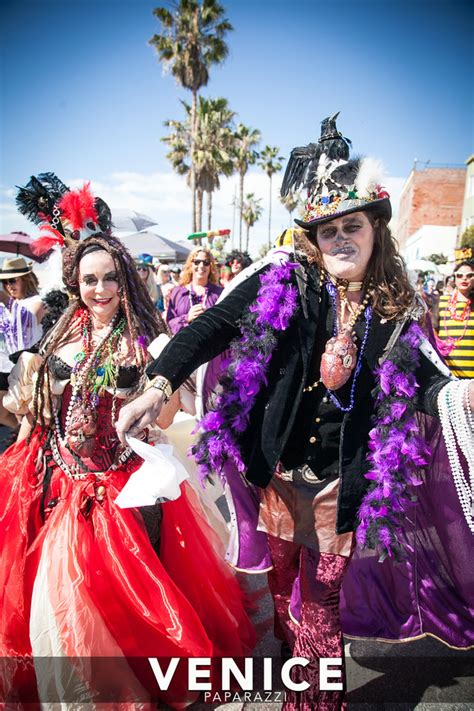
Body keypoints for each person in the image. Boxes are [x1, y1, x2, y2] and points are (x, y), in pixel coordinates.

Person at [117, 115, 474, 709]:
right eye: (327, 230)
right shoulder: (286, 280)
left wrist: (461, 395)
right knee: (283, 585)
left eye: (352, 227)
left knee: (321, 601)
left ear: (376, 230)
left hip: (344, 481)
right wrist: (159, 385)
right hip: (279, 472)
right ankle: (290, 664)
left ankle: (310, 702)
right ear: (314, 238)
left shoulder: (400, 308)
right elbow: (211, 325)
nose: (340, 240)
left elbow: (428, 380)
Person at [0, 177, 254, 706]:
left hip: (119, 487)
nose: (99, 291)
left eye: (109, 278)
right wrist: (25, 422)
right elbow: (36, 412)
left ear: (125, 279)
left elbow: (177, 406)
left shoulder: (146, 339)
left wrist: (144, 395)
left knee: (121, 599)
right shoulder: (58, 335)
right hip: (59, 482)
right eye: (89, 280)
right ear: (75, 284)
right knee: (59, 597)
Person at [0, 256, 44, 430]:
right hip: (6, 365)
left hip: (28, 366)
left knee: (28, 413)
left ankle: (25, 443)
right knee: (4, 412)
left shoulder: (37, 301)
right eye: (4, 282)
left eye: (13, 280)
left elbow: (25, 320)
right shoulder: (7, 306)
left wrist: (5, 300)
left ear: (26, 279)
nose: (9, 286)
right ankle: (20, 439)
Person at [166, 247, 222, 335]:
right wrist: (187, 318)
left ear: (210, 267)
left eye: (206, 262)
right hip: (182, 345)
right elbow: (169, 324)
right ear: (190, 265)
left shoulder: (219, 293)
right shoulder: (178, 292)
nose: (201, 266)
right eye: (197, 262)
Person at [434, 260, 474, 377]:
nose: (464, 279)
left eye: (470, 275)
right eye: (460, 275)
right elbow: (432, 331)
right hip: (447, 373)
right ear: (454, 278)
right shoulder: (442, 302)